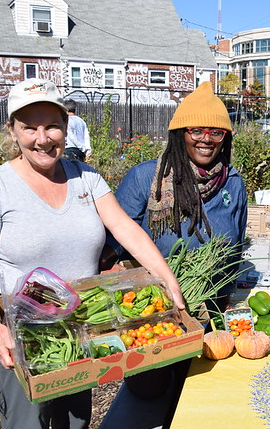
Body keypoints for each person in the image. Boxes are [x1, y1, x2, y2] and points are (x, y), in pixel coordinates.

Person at [0, 78, 184, 429]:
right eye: (30, 127)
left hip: (82, 332)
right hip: (25, 338)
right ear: (13, 131)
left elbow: (127, 229)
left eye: (52, 125)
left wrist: (166, 279)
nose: (42, 139)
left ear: (66, 126)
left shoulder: (87, 179)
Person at [105, 81, 247, 312]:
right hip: (155, 306)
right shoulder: (145, 178)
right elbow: (113, 242)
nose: (206, 139)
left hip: (212, 307)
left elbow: (236, 247)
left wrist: (224, 297)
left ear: (225, 139)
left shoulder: (232, 182)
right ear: (180, 134)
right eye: (196, 130)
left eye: (216, 132)